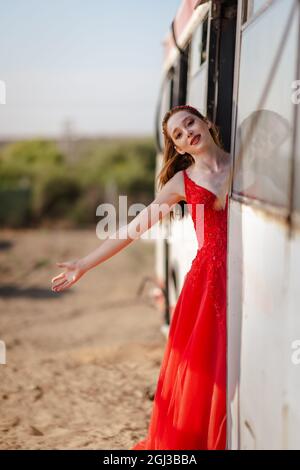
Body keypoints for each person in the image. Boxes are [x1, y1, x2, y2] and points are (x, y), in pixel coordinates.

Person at [51, 104, 231, 450]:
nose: (187, 133)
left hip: (244, 279)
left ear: (206, 122)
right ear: (178, 148)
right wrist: (85, 264)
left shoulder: (243, 162)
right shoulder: (182, 181)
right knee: (209, 375)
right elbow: (135, 227)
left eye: (190, 123)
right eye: (178, 134)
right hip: (206, 285)